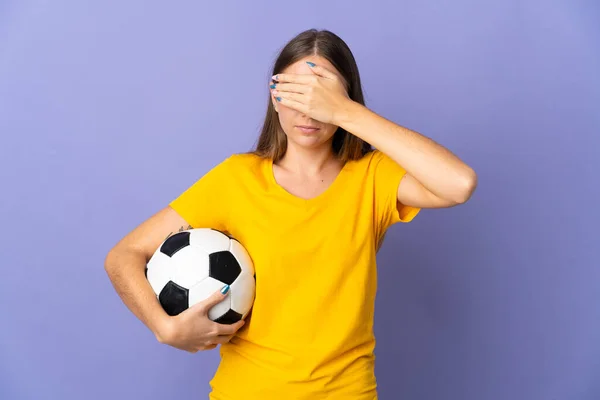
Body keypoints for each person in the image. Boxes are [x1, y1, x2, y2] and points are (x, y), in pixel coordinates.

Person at [104, 29, 477, 400]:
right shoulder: (237, 180)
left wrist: (347, 112)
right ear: (275, 95)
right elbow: (123, 255)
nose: (308, 111)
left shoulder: (372, 178)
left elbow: (459, 184)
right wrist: (163, 327)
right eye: (296, 93)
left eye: (321, 95)